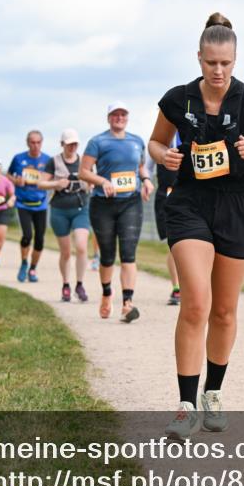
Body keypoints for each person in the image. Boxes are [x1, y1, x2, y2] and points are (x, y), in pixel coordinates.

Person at [148, 12, 244, 440]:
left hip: (237, 206)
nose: (218, 70)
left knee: (225, 310)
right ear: (198, 58)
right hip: (190, 205)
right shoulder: (177, 99)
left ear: (235, 59)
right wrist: (163, 157)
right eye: (211, 62)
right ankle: (185, 405)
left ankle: (213, 394)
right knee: (196, 302)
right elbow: (156, 140)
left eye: (226, 63)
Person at [79, 101, 154, 322]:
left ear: (127, 117)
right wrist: (102, 181)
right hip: (103, 204)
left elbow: (140, 167)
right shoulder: (97, 142)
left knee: (129, 254)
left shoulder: (136, 141)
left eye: (123, 114)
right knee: (108, 256)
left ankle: (127, 303)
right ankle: (106, 293)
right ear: (109, 117)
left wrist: (147, 180)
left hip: (131, 202)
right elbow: (84, 172)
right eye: (115, 114)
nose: (119, 117)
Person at [38, 128, 91, 303]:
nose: (72, 147)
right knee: (66, 252)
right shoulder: (53, 162)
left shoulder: (84, 161)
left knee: (82, 247)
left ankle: (80, 284)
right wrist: (56, 183)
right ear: (62, 144)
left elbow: (93, 179)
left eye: (75, 144)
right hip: (59, 210)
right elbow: (40, 184)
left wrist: (88, 184)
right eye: (69, 144)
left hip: (80, 208)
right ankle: (66, 285)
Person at [8, 130, 51, 283]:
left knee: (39, 239)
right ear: (28, 143)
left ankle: (33, 268)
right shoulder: (19, 159)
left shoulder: (47, 160)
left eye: (38, 142)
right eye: (32, 142)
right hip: (23, 203)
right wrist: (16, 180)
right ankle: (24, 262)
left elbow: (53, 178)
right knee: (27, 235)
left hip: (41, 205)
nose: (35, 145)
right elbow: (8, 174)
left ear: (42, 143)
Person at [154, 133, 182, 306]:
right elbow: (147, 167)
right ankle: (177, 287)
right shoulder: (159, 141)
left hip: (190, 194)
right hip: (166, 196)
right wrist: (145, 181)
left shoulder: (190, 132)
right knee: (174, 244)